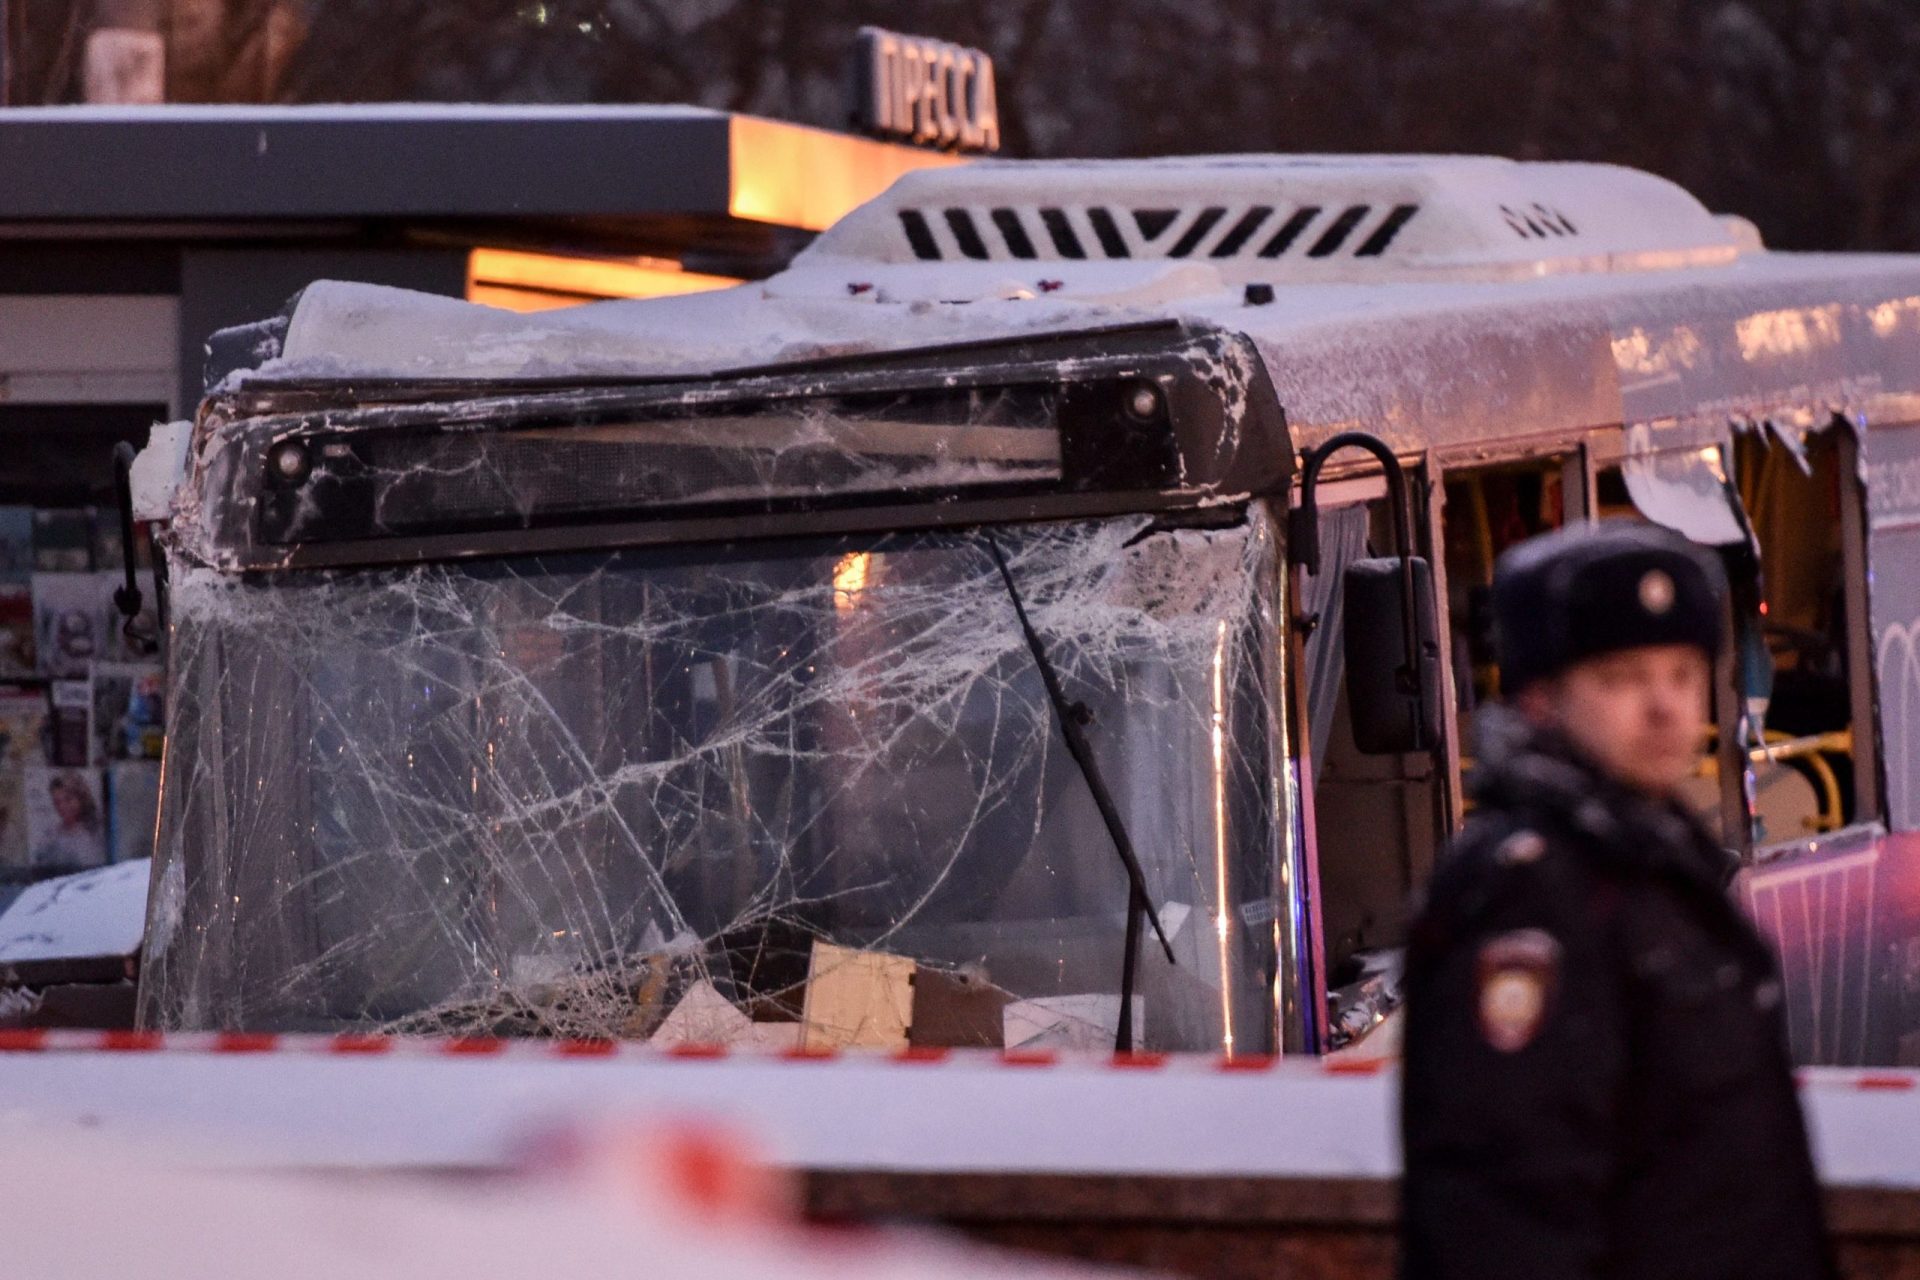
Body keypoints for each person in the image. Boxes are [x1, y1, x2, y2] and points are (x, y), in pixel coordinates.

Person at [1399, 521, 1834, 1280]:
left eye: (1682, 674)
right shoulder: (1530, 895)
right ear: (1541, 700)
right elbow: (1509, 1210)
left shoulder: (1653, 857)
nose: (1666, 707)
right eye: (1623, 679)